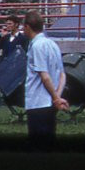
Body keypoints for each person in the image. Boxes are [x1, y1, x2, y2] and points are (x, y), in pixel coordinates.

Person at [22, 8, 68, 147]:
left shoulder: (37, 46)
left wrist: (55, 98)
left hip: (37, 102)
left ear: (27, 26)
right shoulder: (52, 44)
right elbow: (62, 75)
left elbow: (45, 76)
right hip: (50, 103)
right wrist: (57, 97)